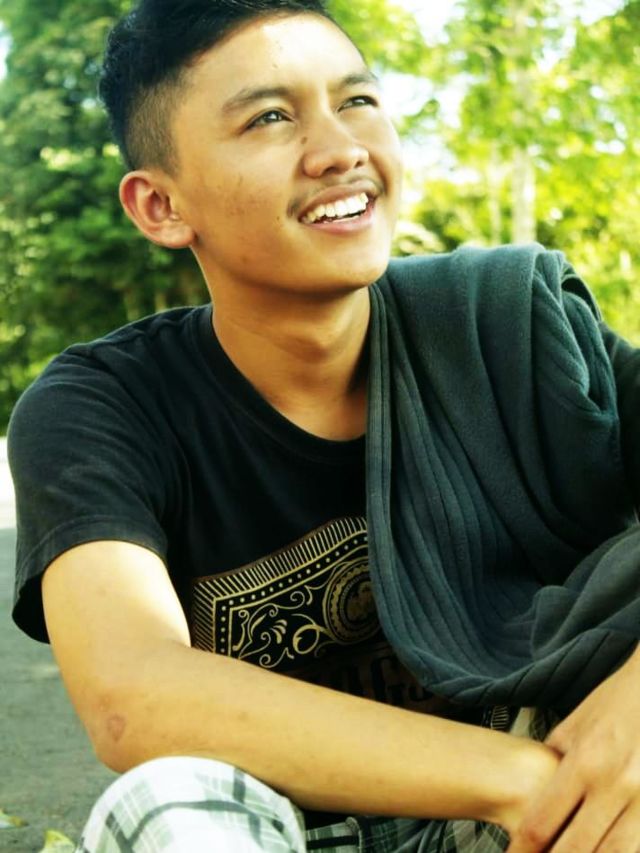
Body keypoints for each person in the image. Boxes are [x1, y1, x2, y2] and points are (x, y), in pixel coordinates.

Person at [8, 0, 640, 850]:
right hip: (316, 823)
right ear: (160, 204)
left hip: (561, 793)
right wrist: (527, 781)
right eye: (270, 118)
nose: (340, 149)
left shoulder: (509, 322)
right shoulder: (103, 404)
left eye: (357, 101)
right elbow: (133, 693)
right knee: (166, 801)